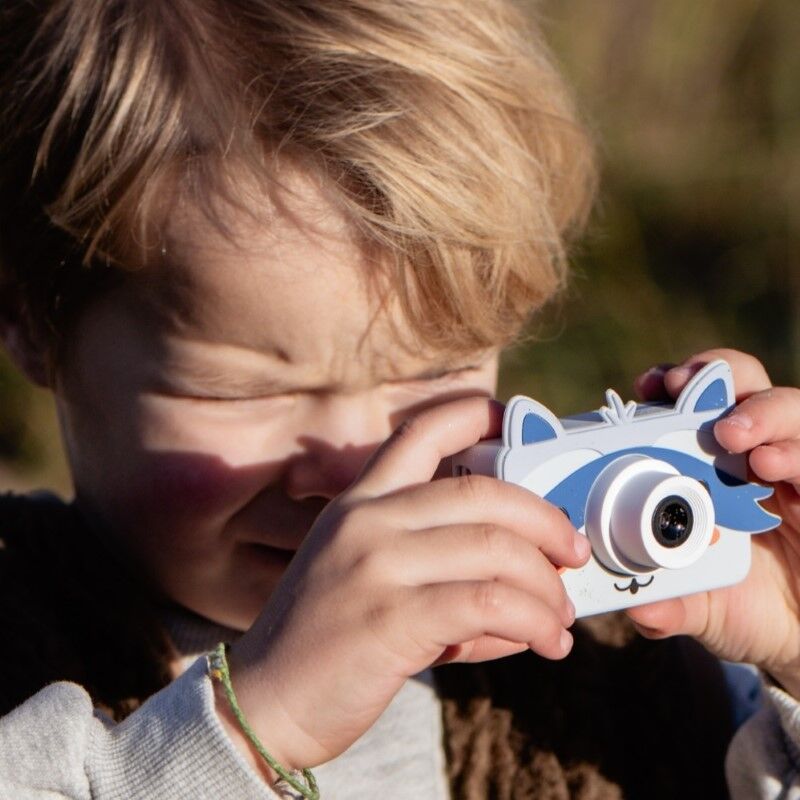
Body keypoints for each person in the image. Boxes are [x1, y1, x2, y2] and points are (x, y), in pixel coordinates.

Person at [0, 1, 796, 798]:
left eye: (436, 370)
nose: (356, 466)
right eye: (245, 391)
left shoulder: (613, 672)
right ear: (29, 319)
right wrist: (249, 734)